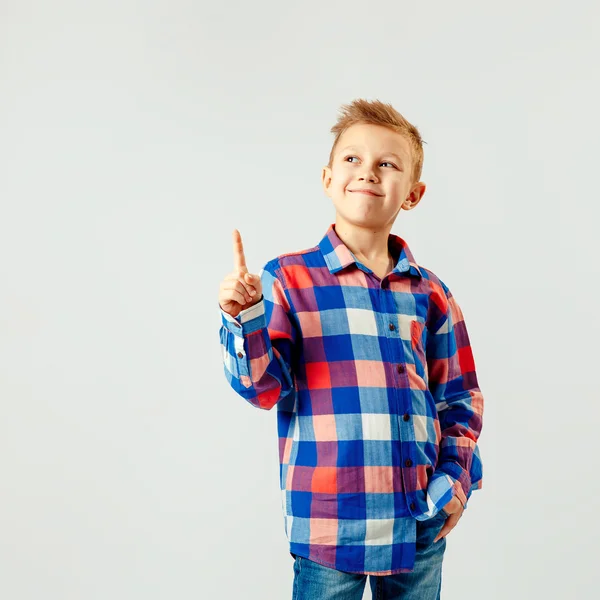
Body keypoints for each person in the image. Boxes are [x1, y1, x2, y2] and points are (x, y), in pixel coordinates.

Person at [217, 98, 484, 599]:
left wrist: (455, 484)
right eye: (352, 159)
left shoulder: (432, 294)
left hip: (417, 523)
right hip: (328, 528)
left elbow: (460, 400)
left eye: (388, 163)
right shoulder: (288, 278)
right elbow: (264, 389)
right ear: (327, 177)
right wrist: (242, 318)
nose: (368, 172)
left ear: (414, 193)